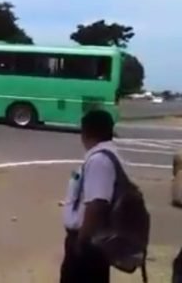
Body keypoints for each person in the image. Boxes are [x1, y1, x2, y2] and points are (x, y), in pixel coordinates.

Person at [60, 109, 124, 283]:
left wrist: (81, 242)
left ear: (86, 132)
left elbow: (97, 204)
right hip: (95, 241)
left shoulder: (100, 161)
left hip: (89, 243)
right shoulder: (108, 156)